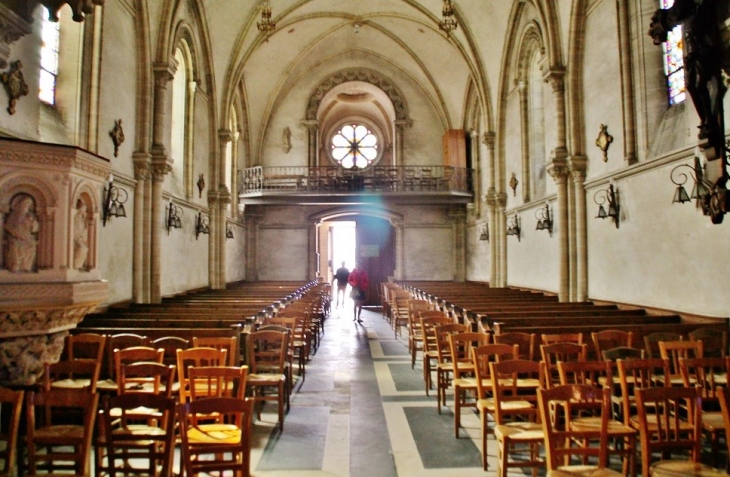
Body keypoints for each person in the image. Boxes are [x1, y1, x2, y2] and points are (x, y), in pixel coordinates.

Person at [4, 194, 39, 272]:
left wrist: (31, 223)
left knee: (31, 245)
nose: (26, 206)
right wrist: (16, 233)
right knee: (15, 246)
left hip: (27, 236)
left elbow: (34, 229)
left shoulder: (30, 215)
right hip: (16, 236)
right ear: (20, 204)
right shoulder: (14, 215)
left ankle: (26, 266)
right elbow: (8, 226)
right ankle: (16, 265)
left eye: (28, 204)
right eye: (25, 203)